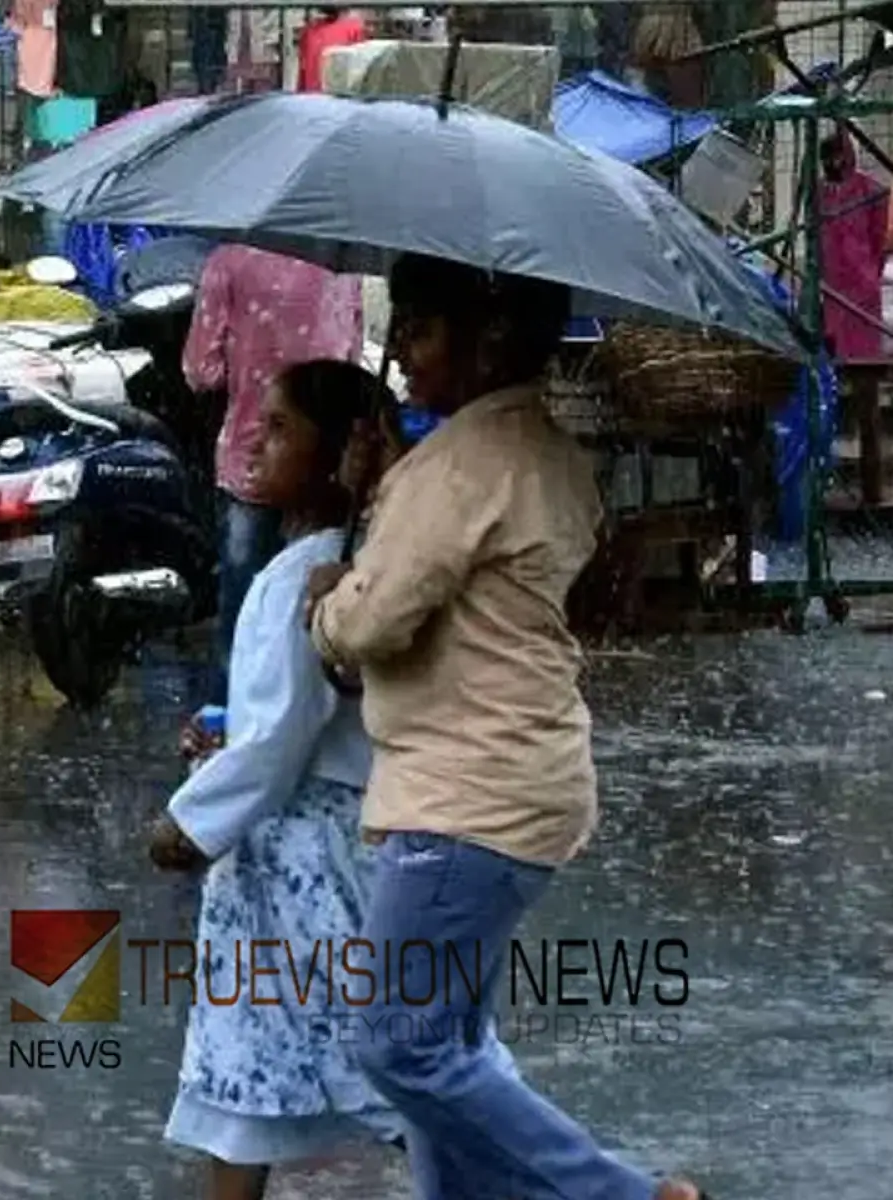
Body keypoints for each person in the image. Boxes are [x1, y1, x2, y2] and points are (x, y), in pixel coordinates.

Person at [306, 254, 705, 1200]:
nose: (398, 348)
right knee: (450, 1050)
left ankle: (622, 1196)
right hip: (520, 780)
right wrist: (392, 484)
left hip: (464, 798)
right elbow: (468, 562)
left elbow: (368, 625)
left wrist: (327, 597)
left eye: (419, 327)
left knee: (400, 1048)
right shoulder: (534, 448)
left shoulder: (457, 468)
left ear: (485, 340)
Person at [146, 361, 406, 1200]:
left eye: (283, 426)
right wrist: (223, 736)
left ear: (343, 455)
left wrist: (188, 822)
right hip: (292, 859)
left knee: (385, 1064)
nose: (256, 438)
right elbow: (281, 719)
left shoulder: (310, 578)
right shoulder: (324, 564)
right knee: (248, 1065)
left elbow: (280, 739)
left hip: (310, 861)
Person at [182, 243, 363, 699]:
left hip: (250, 464)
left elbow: (201, 371)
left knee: (244, 622)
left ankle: (227, 722)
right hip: (328, 470)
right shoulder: (341, 266)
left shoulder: (230, 261)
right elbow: (352, 358)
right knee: (316, 616)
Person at [819, 130, 889, 362]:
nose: (830, 164)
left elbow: (879, 240)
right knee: (834, 349)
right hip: (831, 282)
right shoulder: (819, 192)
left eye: (835, 158)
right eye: (826, 160)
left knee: (862, 353)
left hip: (861, 279)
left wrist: (867, 270)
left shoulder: (872, 191)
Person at [296, 6, 365, 92]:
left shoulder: (354, 27)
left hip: (341, 95)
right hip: (313, 96)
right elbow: (303, 68)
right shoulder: (310, 29)